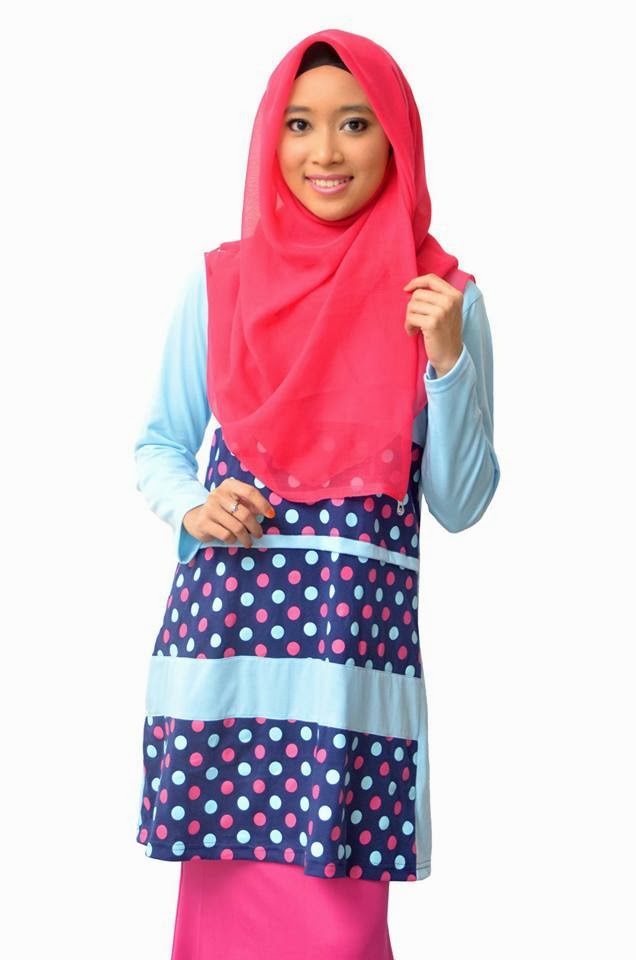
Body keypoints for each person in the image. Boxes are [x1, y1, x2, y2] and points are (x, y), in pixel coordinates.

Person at [133, 28, 500, 960]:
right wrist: (193, 507)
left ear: (398, 139)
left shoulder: (443, 299)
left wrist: (448, 361)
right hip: (227, 662)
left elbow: (460, 502)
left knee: (339, 933)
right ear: (272, 138)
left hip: (347, 673)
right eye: (299, 125)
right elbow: (160, 445)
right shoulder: (221, 283)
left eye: (355, 124)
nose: (324, 151)